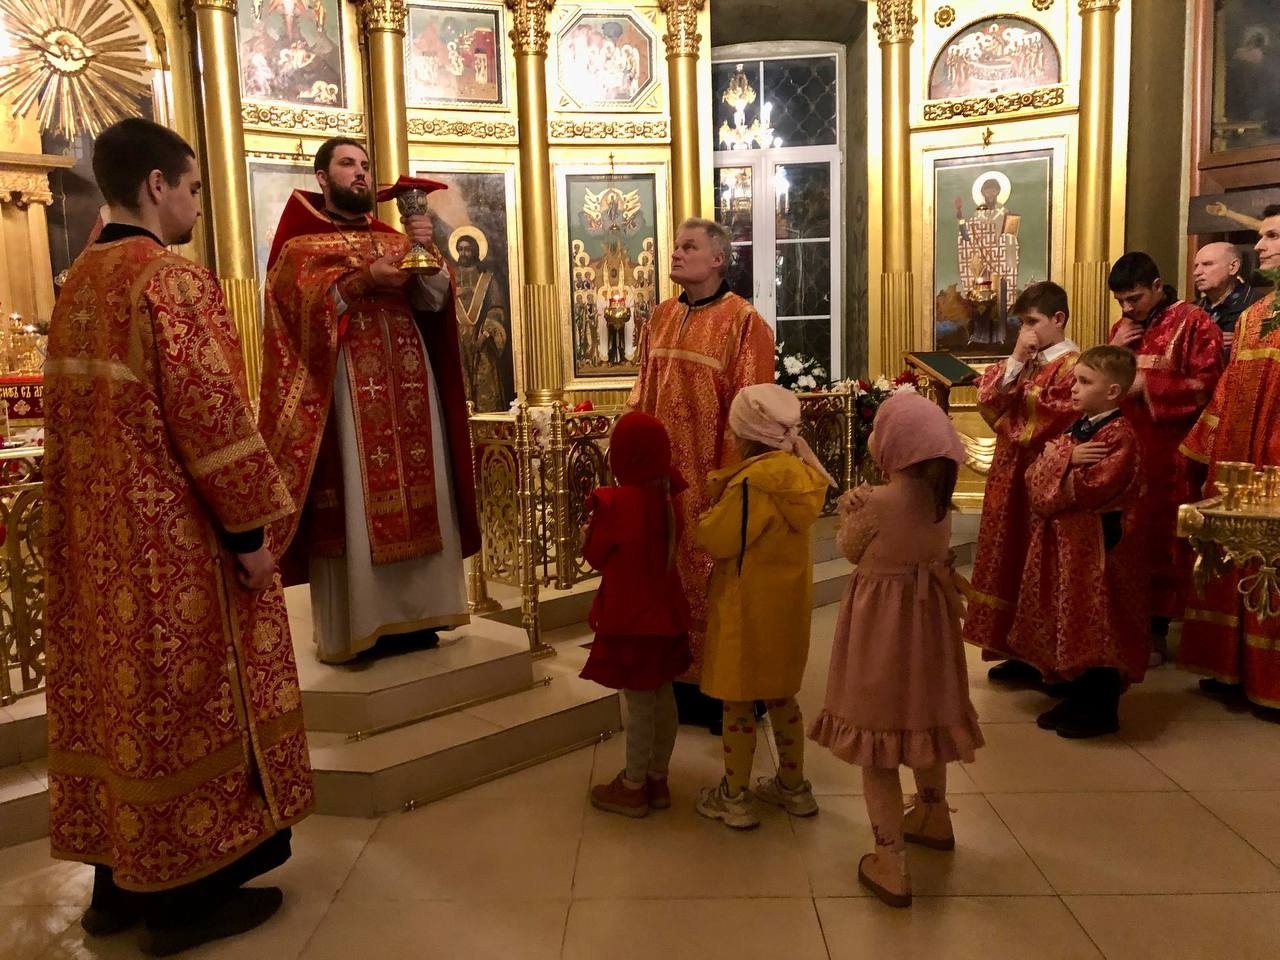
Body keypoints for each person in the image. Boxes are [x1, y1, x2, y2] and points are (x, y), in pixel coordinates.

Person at [43, 118, 313, 957]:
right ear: (156, 186)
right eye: (193, 188)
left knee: (119, 712)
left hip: (97, 549)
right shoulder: (171, 282)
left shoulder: (78, 282)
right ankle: (184, 904)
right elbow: (213, 421)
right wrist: (251, 536)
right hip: (172, 552)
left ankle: (115, 891)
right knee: (184, 713)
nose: (198, 204)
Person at [257, 138, 480, 664]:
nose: (359, 173)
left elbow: (433, 302)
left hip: (410, 384)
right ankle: (364, 625)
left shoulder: (394, 238)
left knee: (424, 492)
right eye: (347, 164)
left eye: (363, 165)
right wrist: (362, 281)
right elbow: (295, 314)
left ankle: (422, 615)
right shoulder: (301, 246)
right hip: (346, 389)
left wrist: (428, 258)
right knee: (358, 502)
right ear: (323, 177)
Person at [809, 390, 982, 909]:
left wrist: (850, 509)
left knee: (878, 739)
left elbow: (850, 548)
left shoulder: (877, 504)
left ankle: (890, 860)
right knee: (925, 722)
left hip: (882, 633)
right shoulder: (938, 503)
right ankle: (933, 812)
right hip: (928, 629)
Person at [629, 217, 775, 730]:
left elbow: (749, 414)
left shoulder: (744, 323)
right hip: (661, 485)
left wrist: (730, 486)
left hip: (713, 483)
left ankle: (726, 690)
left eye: (688, 247)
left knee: (719, 585)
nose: (676, 253)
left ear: (717, 259)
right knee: (665, 579)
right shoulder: (661, 316)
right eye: (675, 246)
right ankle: (676, 684)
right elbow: (642, 393)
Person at [692, 384, 832, 830]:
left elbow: (719, 538)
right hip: (786, 609)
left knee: (738, 703)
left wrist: (704, 518)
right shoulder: (799, 476)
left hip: (746, 610)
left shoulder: (754, 484)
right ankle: (793, 787)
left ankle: (734, 796)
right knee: (782, 696)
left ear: (746, 435)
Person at [1008, 346, 1148, 738]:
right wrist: (1065, 458)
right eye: (1075, 380)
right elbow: (1033, 479)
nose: (1073, 388)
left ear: (1113, 391)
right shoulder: (1077, 431)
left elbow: (1091, 487)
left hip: (1098, 548)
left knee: (1098, 622)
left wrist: (1058, 460)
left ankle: (1100, 708)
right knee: (1069, 617)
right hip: (1068, 545)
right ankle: (1077, 695)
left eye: (1085, 382)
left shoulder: (1118, 435)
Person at [1179, 205, 1280, 712]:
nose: (1260, 246)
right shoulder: (1254, 316)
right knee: (1235, 557)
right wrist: (1202, 448)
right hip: (1240, 460)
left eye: (1272, 236)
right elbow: (1229, 388)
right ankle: (1233, 668)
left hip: (1275, 460)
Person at [1107, 252, 1223, 665]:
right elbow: (1102, 382)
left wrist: (1148, 385)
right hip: (1125, 450)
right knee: (1124, 538)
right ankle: (1122, 627)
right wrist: (1113, 349)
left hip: (1170, 454)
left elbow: (1208, 386)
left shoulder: (1195, 322)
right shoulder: (1122, 328)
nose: (1127, 308)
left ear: (1158, 286)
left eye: (1134, 298)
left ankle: (1156, 631)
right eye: (1120, 301)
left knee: (1160, 540)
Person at [963, 281, 1080, 681]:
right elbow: (987, 401)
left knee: (1039, 567)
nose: (1025, 331)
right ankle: (1014, 649)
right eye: (1021, 324)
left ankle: (1045, 660)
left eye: (1032, 322)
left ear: (1058, 319)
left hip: (1045, 480)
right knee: (1009, 559)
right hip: (1009, 478)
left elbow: (1051, 417)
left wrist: (1010, 412)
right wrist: (1016, 358)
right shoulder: (1025, 362)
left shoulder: (1074, 367)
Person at [581, 412, 692, 817]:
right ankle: (657, 778)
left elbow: (596, 556)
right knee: (663, 695)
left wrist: (587, 535)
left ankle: (632, 785)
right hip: (665, 614)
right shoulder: (668, 500)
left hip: (631, 618)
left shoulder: (616, 503)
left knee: (640, 704)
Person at [449, 225, 510, 412]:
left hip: (481, 341)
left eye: (467, 249)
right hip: (456, 342)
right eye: (460, 249)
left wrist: (485, 334)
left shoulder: (487, 279)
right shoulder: (449, 277)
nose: (463, 253)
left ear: (475, 251)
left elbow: (497, 309)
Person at [1192, 241, 1265, 362]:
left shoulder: (1260, 306)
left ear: (1233, 267)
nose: (1197, 272)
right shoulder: (1192, 310)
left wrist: (1242, 342)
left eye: (1207, 264)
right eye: (1196, 266)